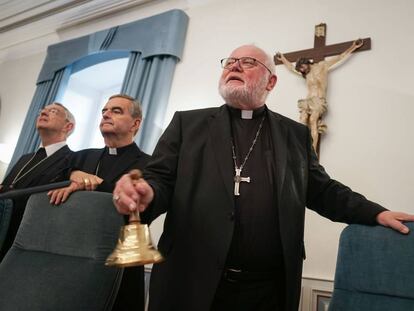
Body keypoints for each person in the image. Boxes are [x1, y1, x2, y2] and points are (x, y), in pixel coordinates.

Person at [112, 45, 414, 311]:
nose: (234, 66)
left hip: (268, 290)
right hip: (191, 282)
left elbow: (322, 190)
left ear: (271, 80)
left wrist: (375, 212)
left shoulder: (293, 134)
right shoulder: (187, 124)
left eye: (247, 62)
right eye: (229, 61)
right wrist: (146, 192)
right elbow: (159, 179)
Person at [48, 94, 150, 311]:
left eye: (116, 111)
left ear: (136, 123)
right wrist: (74, 174)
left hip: (119, 259)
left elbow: (139, 206)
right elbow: (49, 190)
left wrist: (94, 183)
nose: (106, 114)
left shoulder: (149, 164)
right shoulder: (78, 159)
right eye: (104, 110)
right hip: (68, 253)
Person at [0, 102, 75, 261]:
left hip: (27, 240)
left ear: (68, 126)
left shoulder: (72, 160)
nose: (43, 113)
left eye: (53, 111)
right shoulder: (25, 158)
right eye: (42, 111)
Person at [276, 39, 363, 153]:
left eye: (302, 67)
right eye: (300, 69)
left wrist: (353, 47)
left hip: (318, 100)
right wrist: (283, 59)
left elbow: (339, 57)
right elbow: (292, 68)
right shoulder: (306, 74)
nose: (301, 70)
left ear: (306, 62)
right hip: (308, 100)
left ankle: (312, 152)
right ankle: (300, 149)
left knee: (313, 121)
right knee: (302, 121)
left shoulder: (322, 66)